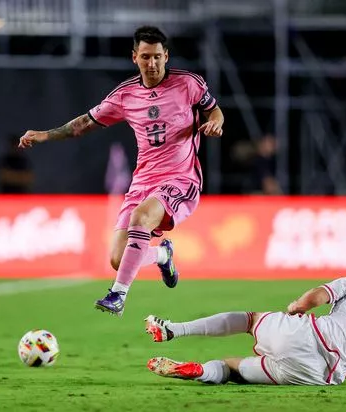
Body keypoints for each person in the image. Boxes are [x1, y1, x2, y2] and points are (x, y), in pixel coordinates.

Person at [18, 26, 224, 316]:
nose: (151, 64)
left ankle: (117, 294)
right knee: (118, 258)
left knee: (141, 218)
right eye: (145, 57)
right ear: (134, 58)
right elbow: (83, 124)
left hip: (181, 178)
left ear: (166, 56)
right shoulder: (125, 96)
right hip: (142, 183)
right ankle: (162, 254)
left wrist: (216, 122)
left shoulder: (189, 84)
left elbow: (214, 110)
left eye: (156, 57)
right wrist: (45, 135)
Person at [144, 264, 346, 386]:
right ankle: (201, 371)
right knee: (233, 369)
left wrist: (298, 306)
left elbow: (316, 296)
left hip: (309, 335)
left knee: (250, 320)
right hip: (317, 375)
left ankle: (174, 329)